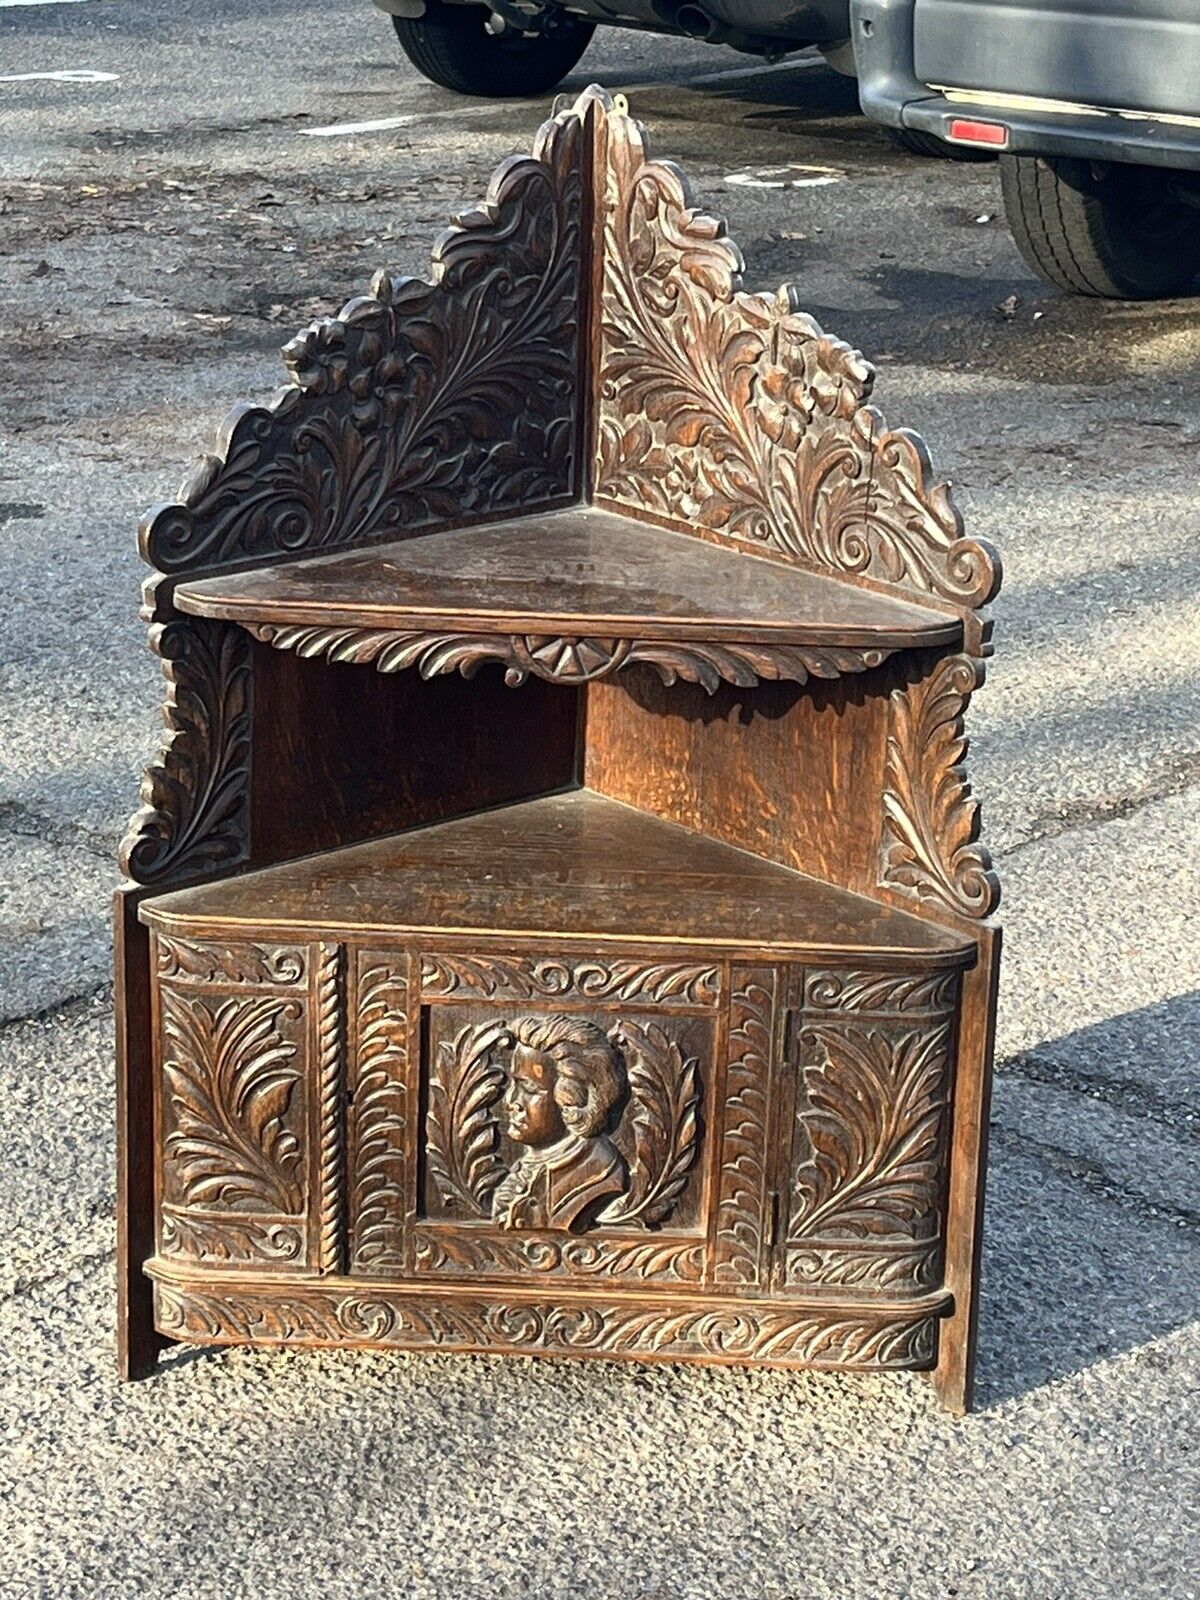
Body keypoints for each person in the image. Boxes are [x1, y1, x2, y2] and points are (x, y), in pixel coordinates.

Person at [491, 1014, 627, 1231]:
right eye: (513, 1086)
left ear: (573, 1097)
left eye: (528, 1089)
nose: (510, 1102)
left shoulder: (598, 1172)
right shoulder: (527, 1168)